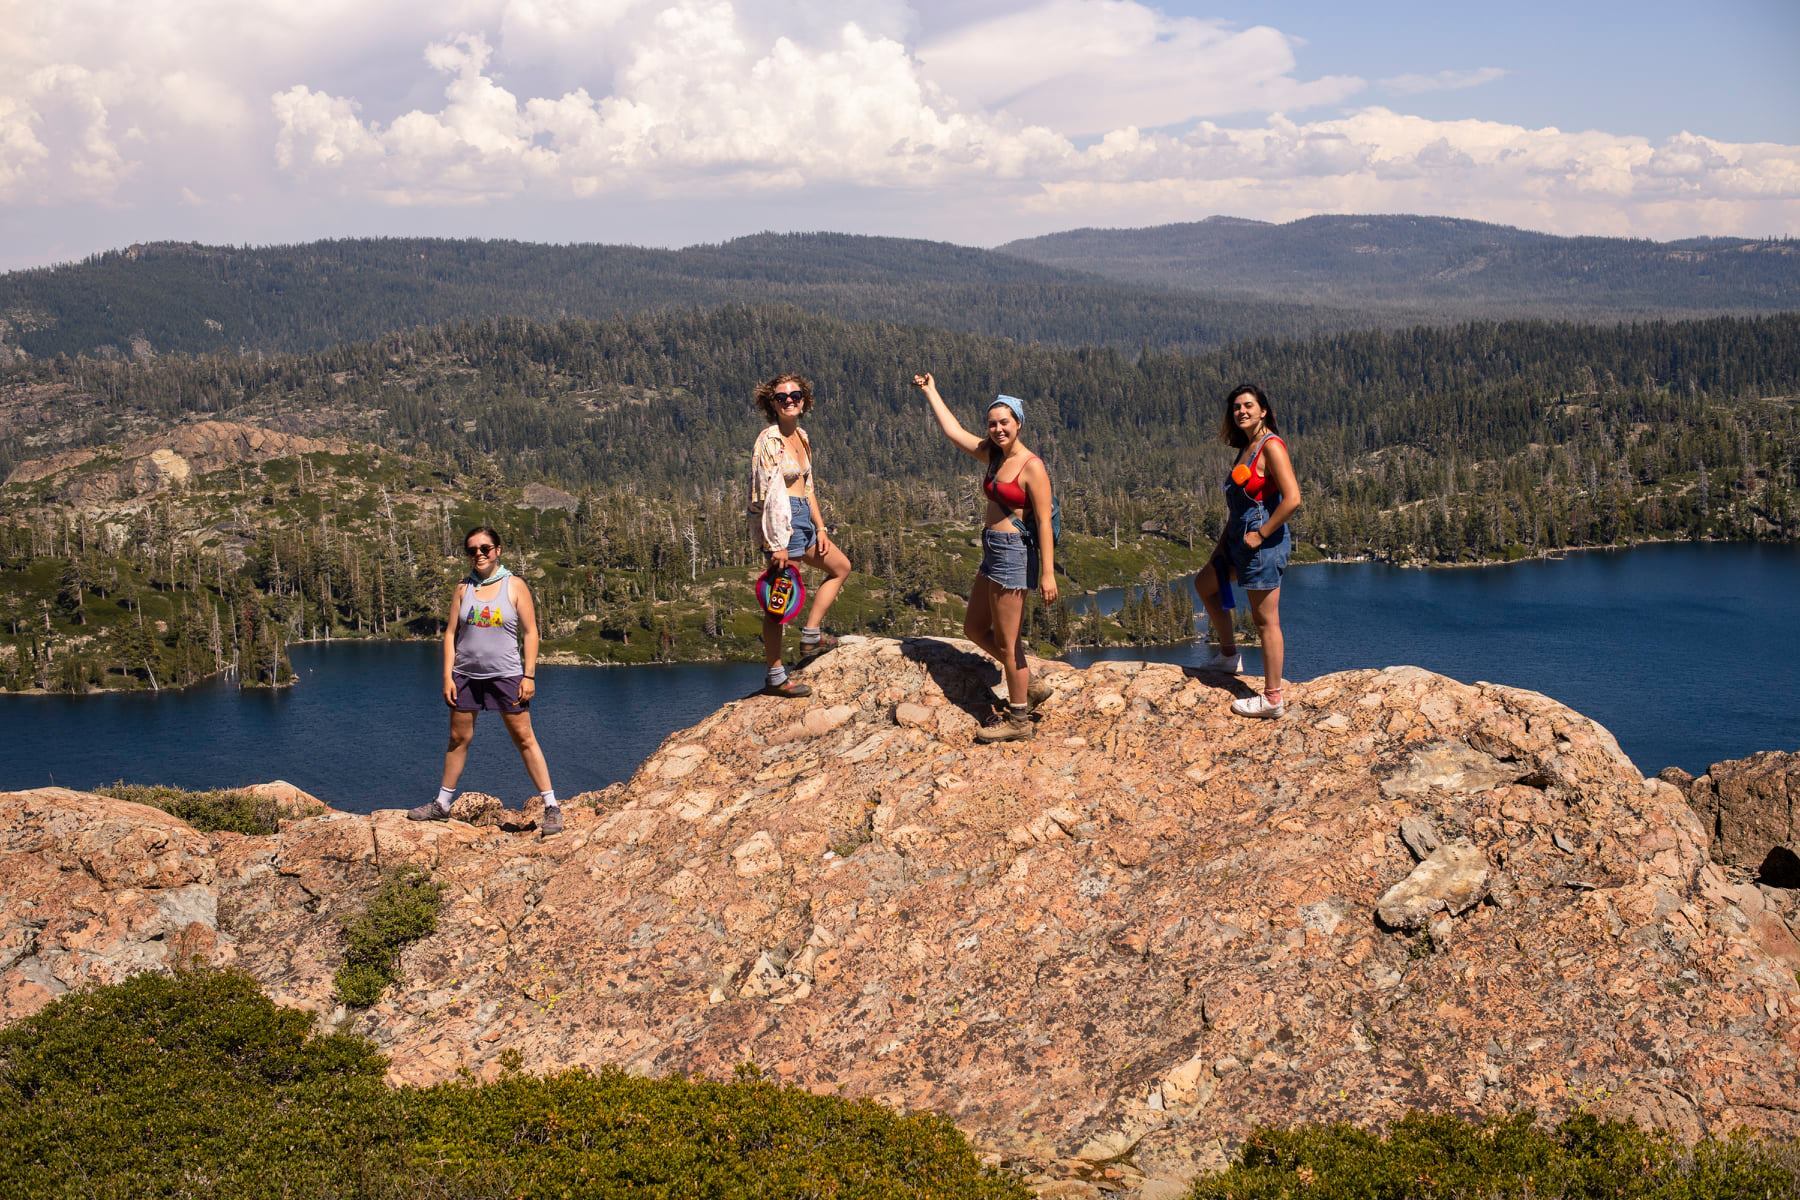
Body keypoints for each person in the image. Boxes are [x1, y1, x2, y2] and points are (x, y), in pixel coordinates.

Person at [912, 372, 1058, 743]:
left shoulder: (1032, 466)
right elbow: (954, 431)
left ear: (1019, 423)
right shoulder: (993, 455)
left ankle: (1019, 719)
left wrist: (1047, 574)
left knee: (1009, 645)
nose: (997, 429)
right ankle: (1027, 682)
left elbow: (1042, 521)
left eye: (1004, 422)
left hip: (1014, 556)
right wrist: (931, 390)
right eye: (992, 424)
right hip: (992, 551)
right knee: (974, 629)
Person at [408, 526, 563, 836]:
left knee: (524, 738)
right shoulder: (463, 589)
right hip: (465, 676)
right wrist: (448, 676)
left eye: (485, 548)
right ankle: (442, 804)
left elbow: (531, 632)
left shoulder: (514, 586)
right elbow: (450, 633)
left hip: (506, 675)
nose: (479, 554)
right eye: (472, 550)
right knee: (457, 739)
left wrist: (529, 675)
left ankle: (551, 806)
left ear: (498, 551)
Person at [1193, 384, 1302, 718]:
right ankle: (1228, 655)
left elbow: (1293, 498)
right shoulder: (1246, 447)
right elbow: (1238, 510)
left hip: (1262, 547)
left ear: (1263, 410)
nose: (1241, 411)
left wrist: (1262, 533)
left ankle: (1272, 699)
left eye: (1248, 406)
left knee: (1265, 620)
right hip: (1238, 541)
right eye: (1236, 407)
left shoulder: (1271, 446)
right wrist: (1222, 547)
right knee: (1205, 585)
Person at [746, 373, 853, 698]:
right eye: (782, 397)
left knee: (840, 567)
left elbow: (808, 487)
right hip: (781, 520)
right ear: (772, 403)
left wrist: (820, 527)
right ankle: (776, 676)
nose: (789, 400)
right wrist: (776, 543)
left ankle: (811, 634)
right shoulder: (769, 440)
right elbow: (763, 493)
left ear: (804, 400)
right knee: (778, 605)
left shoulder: (802, 436)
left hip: (804, 519)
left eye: (795, 395)